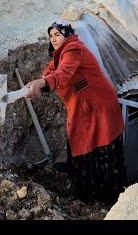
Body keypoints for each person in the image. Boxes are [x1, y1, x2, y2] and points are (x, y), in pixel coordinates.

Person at [25, 21, 126, 203]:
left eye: (57, 35)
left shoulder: (73, 49)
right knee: (78, 138)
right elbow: (52, 70)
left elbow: (63, 73)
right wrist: (41, 84)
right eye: (51, 36)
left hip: (98, 105)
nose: (54, 39)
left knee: (101, 147)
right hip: (83, 105)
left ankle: (104, 194)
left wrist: (41, 84)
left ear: (67, 34)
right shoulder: (61, 53)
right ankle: (77, 171)